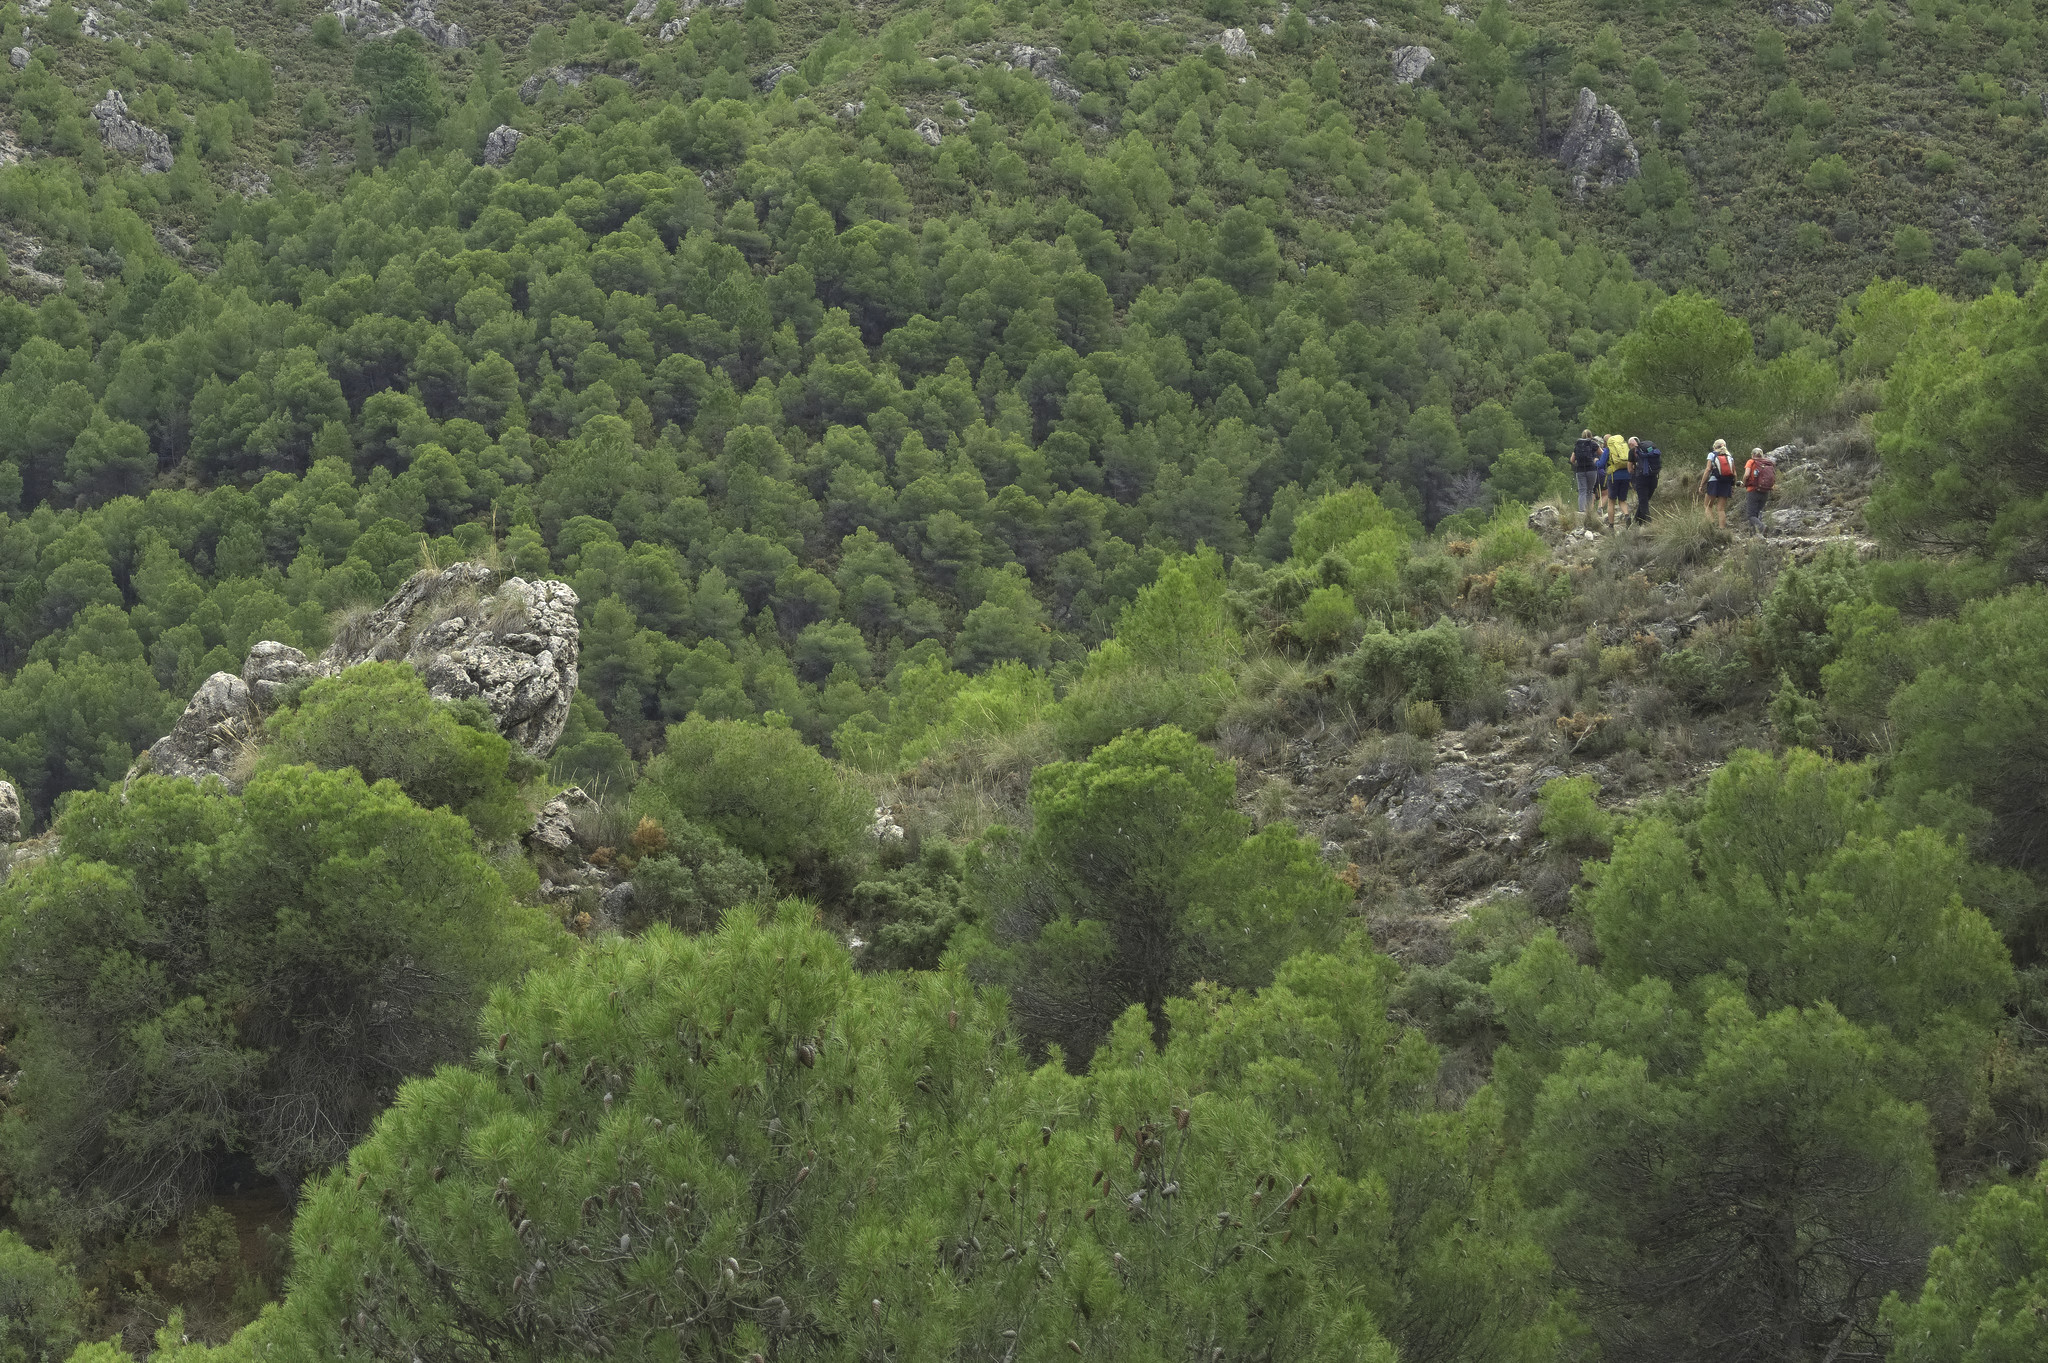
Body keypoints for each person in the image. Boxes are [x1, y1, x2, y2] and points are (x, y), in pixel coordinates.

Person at [1699, 439, 1736, 528]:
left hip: (1714, 482)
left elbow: (1708, 469)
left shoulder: (1712, 454)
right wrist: (1732, 486)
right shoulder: (1730, 457)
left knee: (1707, 506)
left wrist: (1702, 484)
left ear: (1714, 447)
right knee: (1721, 509)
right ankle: (1722, 530)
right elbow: (1734, 473)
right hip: (1726, 483)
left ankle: (1712, 525)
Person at [1742, 445, 1776, 536]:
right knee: (1758, 513)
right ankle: (1753, 535)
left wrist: (1744, 483)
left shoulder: (1751, 461)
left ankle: (1762, 528)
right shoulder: (1768, 463)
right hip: (1765, 491)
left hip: (1753, 490)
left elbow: (1746, 475)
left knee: (1751, 515)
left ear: (1753, 455)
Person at [1571, 429, 1602, 516]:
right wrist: (1597, 460)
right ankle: (1589, 511)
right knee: (1590, 490)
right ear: (1591, 436)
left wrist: (1577, 463)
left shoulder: (1578, 444)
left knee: (1582, 491)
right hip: (1592, 469)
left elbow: (1572, 459)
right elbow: (1602, 454)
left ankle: (1581, 511)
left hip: (1580, 470)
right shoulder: (1593, 444)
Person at [1632, 436, 1661, 523]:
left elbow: (1630, 467)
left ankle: (1648, 524)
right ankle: (1637, 522)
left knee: (1643, 502)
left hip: (1641, 479)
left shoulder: (1634, 451)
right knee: (1644, 501)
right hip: (1653, 478)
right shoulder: (1654, 452)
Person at [1607, 439, 1634, 528]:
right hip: (1626, 476)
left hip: (1614, 478)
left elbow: (1600, 464)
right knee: (1622, 500)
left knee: (1611, 501)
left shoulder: (1609, 449)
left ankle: (1611, 525)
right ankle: (1627, 515)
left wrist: (1596, 462)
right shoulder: (1625, 448)